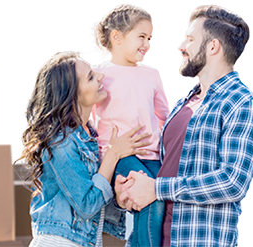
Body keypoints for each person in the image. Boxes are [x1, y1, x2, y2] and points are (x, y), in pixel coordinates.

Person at [114, 5, 253, 247]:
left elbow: (232, 182)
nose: (181, 47)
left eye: (189, 39)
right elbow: (163, 169)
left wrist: (157, 188)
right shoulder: (181, 105)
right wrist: (130, 188)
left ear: (212, 46)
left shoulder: (242, 104)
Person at [14, 51, 152, 247]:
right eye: (91, 77)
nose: (101, 77)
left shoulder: (89, 137)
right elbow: (86, 205)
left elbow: (93, 198)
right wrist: (113, 154)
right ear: (72, 94)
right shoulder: (61, 142)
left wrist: (119, 197)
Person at [91, 3, 171, 247]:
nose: (147, 44)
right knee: (150, 201)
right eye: (141, 37)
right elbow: (86, 116)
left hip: (153, 156)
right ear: (117, 37)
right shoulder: (98, 75)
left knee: (161, 205)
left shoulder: (151, 76)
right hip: (119, 157)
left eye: (149, 38)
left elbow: (165, 117)